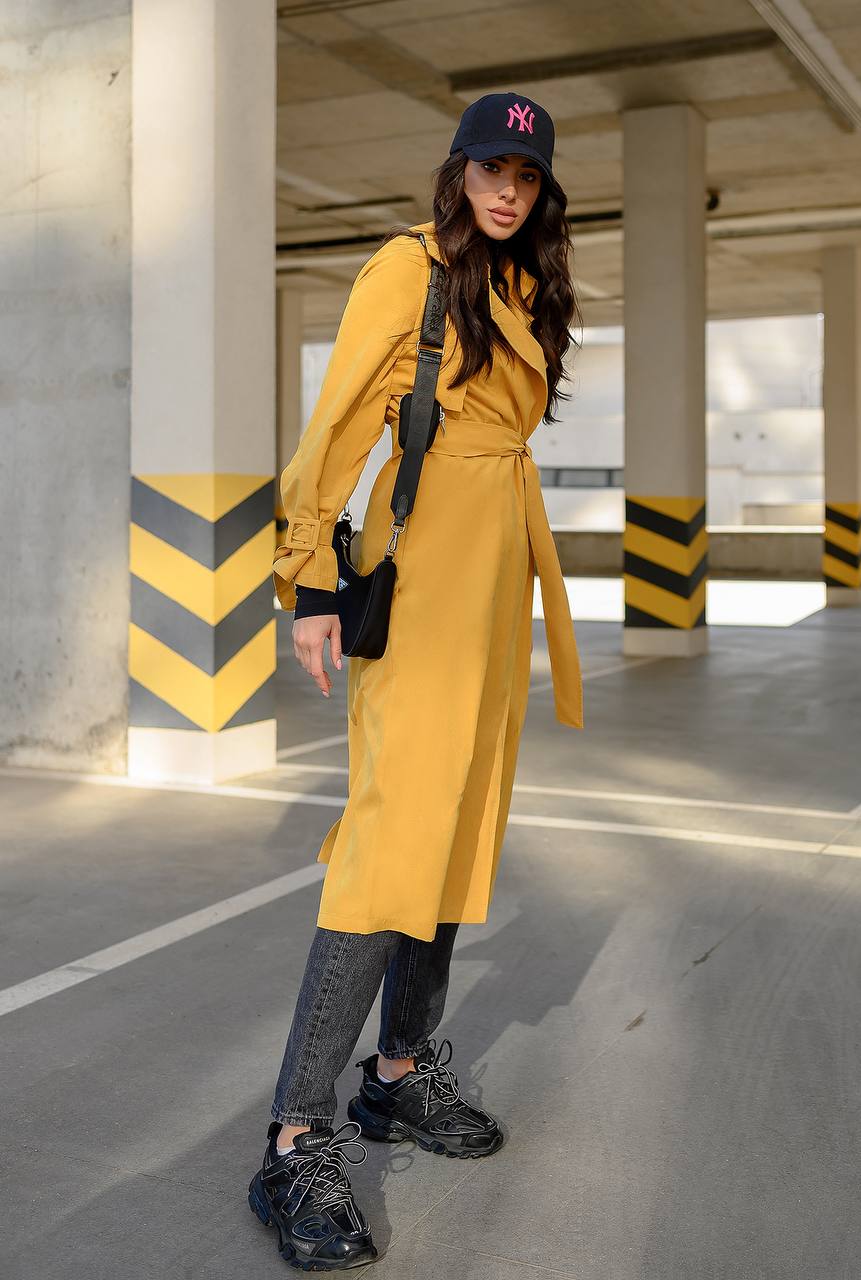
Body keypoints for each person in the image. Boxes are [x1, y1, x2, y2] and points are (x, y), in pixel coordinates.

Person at [248, 91, 584, 1271]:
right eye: (490, 166)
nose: (507, 187)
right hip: (425, 567)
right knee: (392, 838)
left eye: (527, 177)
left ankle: (397, 1072)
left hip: (494, 580)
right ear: (456, 173)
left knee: (452, 830)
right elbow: (336, 424)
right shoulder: (410, 269)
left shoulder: (521, 290)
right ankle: (296, 1135)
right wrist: (308, 583)